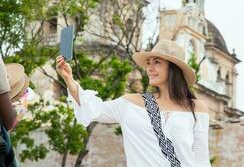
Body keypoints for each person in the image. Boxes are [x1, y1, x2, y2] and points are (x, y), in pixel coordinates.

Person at [56, 39, 211, 167]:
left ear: (174, 68)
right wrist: (69, 79)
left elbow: (201, 159)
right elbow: (93, 109)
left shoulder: (196, 108)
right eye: (148, 63)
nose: (149, 68)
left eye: (156, 62)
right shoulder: (130, 104)